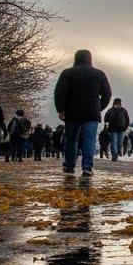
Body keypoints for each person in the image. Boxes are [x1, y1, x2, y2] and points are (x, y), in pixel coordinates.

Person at [53, 48, 112, 176]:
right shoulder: (99, 74)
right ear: (90, 59)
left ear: (75, 58)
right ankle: (87, 167)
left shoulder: (67, 73)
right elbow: (107, 94)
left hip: (72, 112)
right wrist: (98, 107)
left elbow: (59, 92)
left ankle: (69, 166)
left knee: (71, 140)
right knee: (89, 140)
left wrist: (61, 109)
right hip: (91, 113)